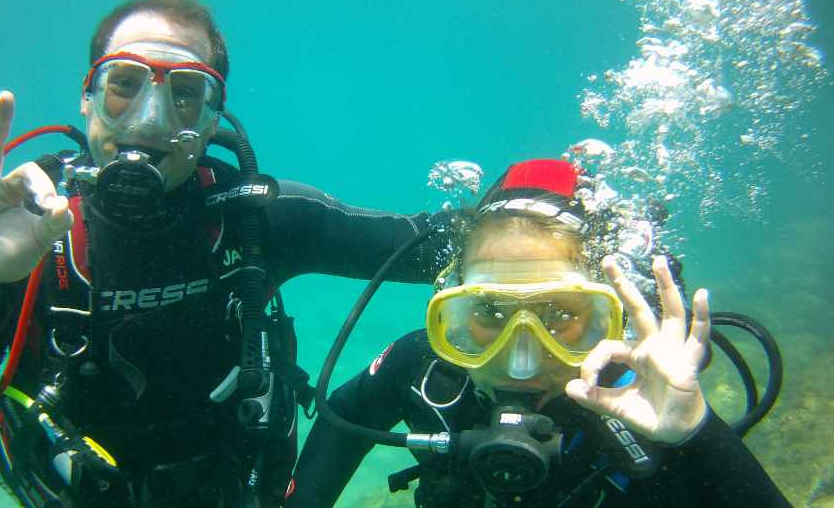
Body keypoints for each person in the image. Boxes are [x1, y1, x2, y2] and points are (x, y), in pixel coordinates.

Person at [0, 0, 451, 507]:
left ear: (213, 118)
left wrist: (532, 210)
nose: (151, 119)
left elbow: (431, 243)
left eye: (185, 93)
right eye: (125, 84)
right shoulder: (29, 226)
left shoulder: (255, 219)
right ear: (88, 98)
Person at [287, 159, 790, 507]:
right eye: (486, 311)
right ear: (450, 301)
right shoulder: (426, 370)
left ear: (607, 316)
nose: (520, 361)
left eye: (560, 314)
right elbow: (345, 416)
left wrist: (696, 436)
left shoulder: (640, 400)